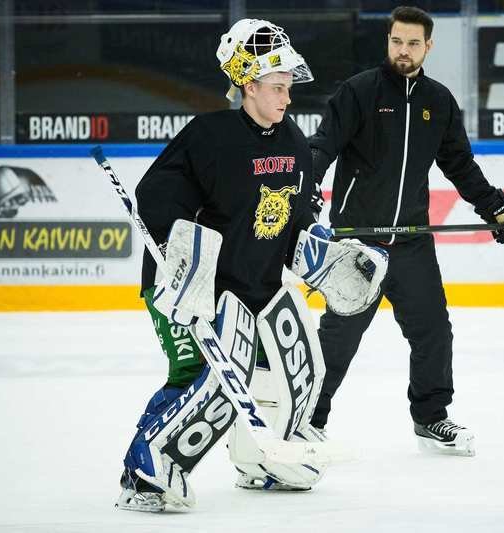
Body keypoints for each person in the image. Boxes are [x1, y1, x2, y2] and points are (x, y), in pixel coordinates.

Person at [116, 18, 388, 512]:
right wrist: (189, 269)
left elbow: (299, 217)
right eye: (278, 87)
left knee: (294, 368)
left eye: (288, 87)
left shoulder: (294, 144)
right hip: (188, 291)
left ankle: (260, 460)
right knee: (200, 376)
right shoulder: (208, 136)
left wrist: (320, 251)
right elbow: (155, 201)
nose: (287, 98)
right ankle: (143, 471)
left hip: (256, 290)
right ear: (248, 84)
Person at [308, 6, 504, 456]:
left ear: (428, 46)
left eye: (413, 43)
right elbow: (322, 147)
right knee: (338, 340)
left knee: (433, 331)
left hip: (411, 241)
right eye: (397, 41)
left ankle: (431, 417)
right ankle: (306, 419)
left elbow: (460, 167)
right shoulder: (359, 93)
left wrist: (498, 211)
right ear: (387, 42)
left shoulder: (439, 101)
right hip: (357, 242)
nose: (403, 51)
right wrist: (305, 189)